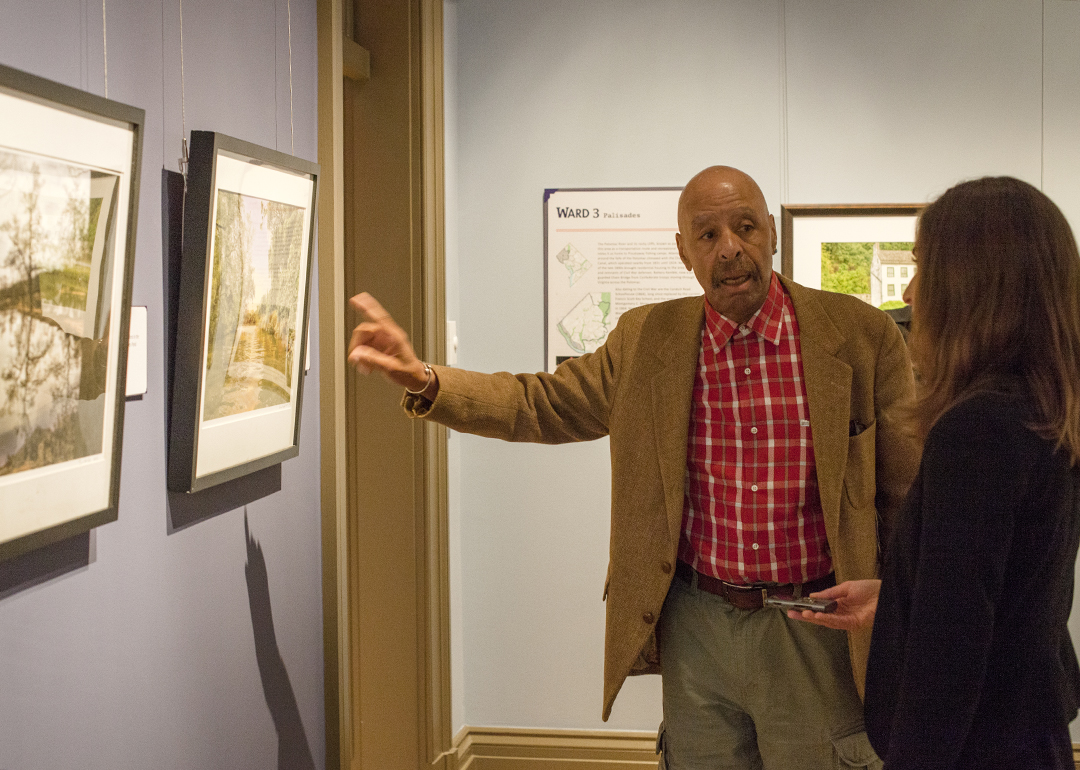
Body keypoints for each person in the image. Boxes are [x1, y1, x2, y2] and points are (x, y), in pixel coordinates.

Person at [347, 166, 921, 769]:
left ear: (772, 233)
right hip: (697, 627)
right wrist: (426, 379)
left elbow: (908, 495)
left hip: (818, 623)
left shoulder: (861, 335)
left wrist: (905, 603)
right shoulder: (647, 339)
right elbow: (542, 403)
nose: (729, 248)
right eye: (707, 235)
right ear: (683, 252)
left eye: (746, 227)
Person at [791, 176, 1080, 769]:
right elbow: (1008, 591)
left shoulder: (978, 429)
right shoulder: (1044, 409)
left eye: (924, 267)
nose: (911, 291)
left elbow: (951, 654)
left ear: (972, 286)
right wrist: (900, 593)